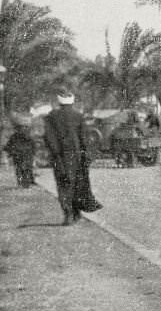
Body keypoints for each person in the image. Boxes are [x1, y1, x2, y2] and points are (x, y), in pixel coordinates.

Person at [43, 90, 102, 225]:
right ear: (72, 101)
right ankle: (77, 213)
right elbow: (84, 138)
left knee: (63, 184)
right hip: (76, 156)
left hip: (59, 156)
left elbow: (48, 137)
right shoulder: (78, 116)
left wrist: (55, 153)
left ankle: (68, 214)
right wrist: (86, 155)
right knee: (77, 184)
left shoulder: (51, 116)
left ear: (59, 102)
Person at [4, 119, 36, 188]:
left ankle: (20, 183)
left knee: (19, 169)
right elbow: (33, 145)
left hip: (17, 155)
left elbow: (8, 146)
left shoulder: (14, 136)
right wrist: (33, 153)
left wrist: (9, 153)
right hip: (27, 154)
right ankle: (26, 184)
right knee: (26, 169)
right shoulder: (28, 136)